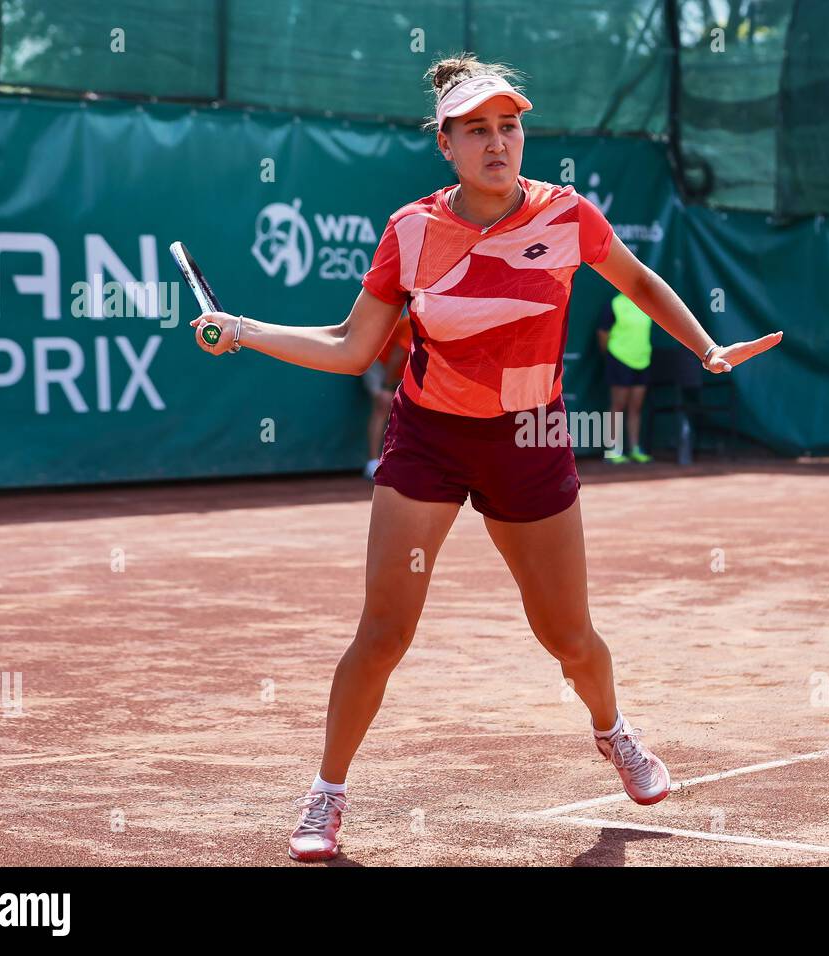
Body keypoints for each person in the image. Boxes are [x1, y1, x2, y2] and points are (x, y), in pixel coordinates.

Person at [190, 54, 782, 862]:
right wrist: (249, 330)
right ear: (447, 144)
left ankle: (613, 731)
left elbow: (638, 283)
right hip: (429, 440)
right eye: (477, 129)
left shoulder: (568, 216)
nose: (499, 142)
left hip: (529, 441)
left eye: (510, 126)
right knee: (384, 631)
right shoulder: (412, 230)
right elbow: (351, 344)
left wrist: (708, 349)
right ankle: (327, 793)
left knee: (568, 636)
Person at [597, 290, 653, 463]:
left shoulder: (647, 304)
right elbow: (603, 333)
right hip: (619, 359)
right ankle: (614, 449)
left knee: (636, 406)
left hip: (642, 360)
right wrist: (610, 355)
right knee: (618, 405)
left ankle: (635, 448)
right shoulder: (615, 304)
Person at [362, 312, 412, 479]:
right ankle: (372, 463)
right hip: (379, 363)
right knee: (383, 405)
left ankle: (402, 462)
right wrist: (387, 386)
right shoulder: (412, 323)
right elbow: (396, 357)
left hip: (404, 371)